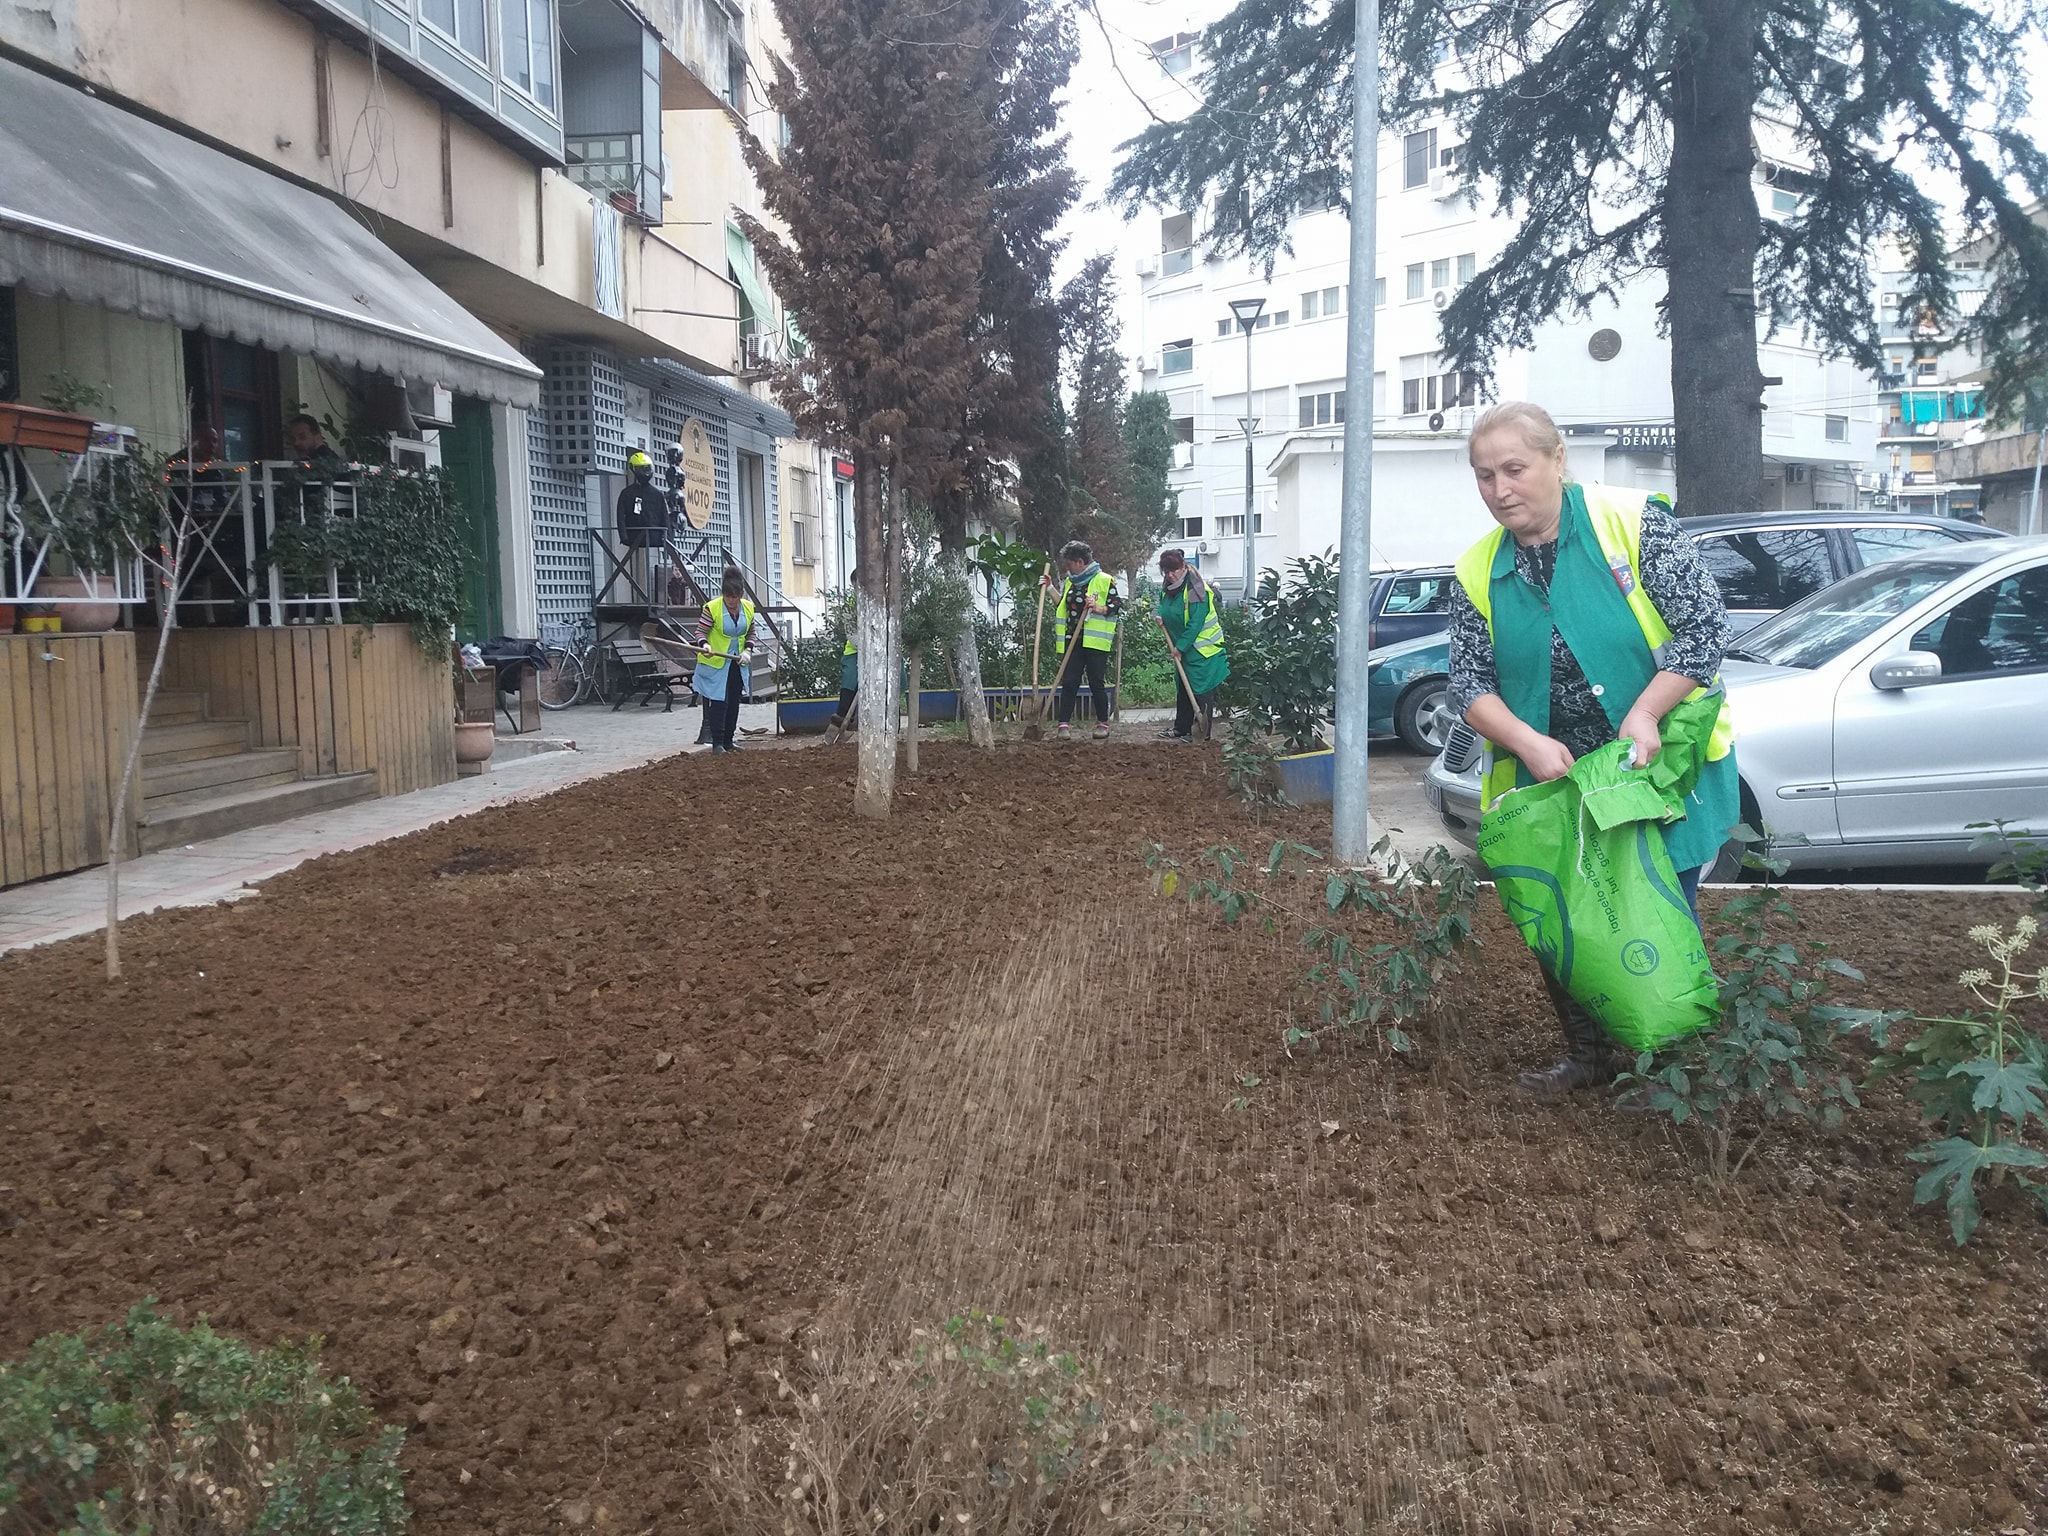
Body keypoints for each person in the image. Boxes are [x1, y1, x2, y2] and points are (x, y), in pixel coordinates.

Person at [1447, 401, 1739, 1093]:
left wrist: (1643, 713)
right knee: (1563, 915)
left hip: (1655, 763)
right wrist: (1527, 742)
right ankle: (1588, 1059)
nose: (1500, 489)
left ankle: (1669, 1076)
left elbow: (1703, 631)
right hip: (1554, 778)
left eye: (1514, 469)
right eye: (1484, 476)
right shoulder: (1477, 570)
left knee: (1656, 911)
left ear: (1556, 459)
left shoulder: (1631, 524)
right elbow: (1468, 681)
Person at [1044, 540, 1120, 740]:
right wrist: (1050, 588)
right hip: (1073, 640)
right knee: (1069, 682)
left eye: (1069, 564)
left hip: (1095, 642)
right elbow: (1063, 605)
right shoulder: (1071, 581)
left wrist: (1097, 608)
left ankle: (1103, 723)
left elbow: (1116, 607)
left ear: (1079, 561)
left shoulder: (1105, 580)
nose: (1067, 568)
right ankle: (1063, 725)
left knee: (1096, 683)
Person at [1154, 548, 1228, 740]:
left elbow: (1196, 622)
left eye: (1174, 570)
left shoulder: (1196, 588)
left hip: (1203, 649)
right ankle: (1182, 728)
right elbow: (1166, 609)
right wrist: (1162, 619)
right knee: (1184, 689)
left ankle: (1203, 733)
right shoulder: (1168, 589)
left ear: (1183, 566)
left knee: (1200, 690)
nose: (1170, 575)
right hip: (1183, 648)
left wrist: (1181, 647)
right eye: (1166, 572)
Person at [693, 568, 756, 754]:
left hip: (737, 662)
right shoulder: (712, 608)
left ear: (741, 595)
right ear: (723, 594)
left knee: (734, 701)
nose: (731, 601)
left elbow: (751, 632)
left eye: (735, 597)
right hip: (716, 663)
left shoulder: (748, 608)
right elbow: (700, 632)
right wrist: (704, 644)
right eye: (728, 596)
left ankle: (729, 740)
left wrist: (748, 650)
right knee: (720, 702)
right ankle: (717, 743)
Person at [829, 571, 860, 735]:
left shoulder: (884, 600)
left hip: (883, 651)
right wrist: (867, 649)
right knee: (851, 678)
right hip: (855, 652)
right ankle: (842, 716)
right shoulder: (851, 605)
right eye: (856, 586)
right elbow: (852, 635)